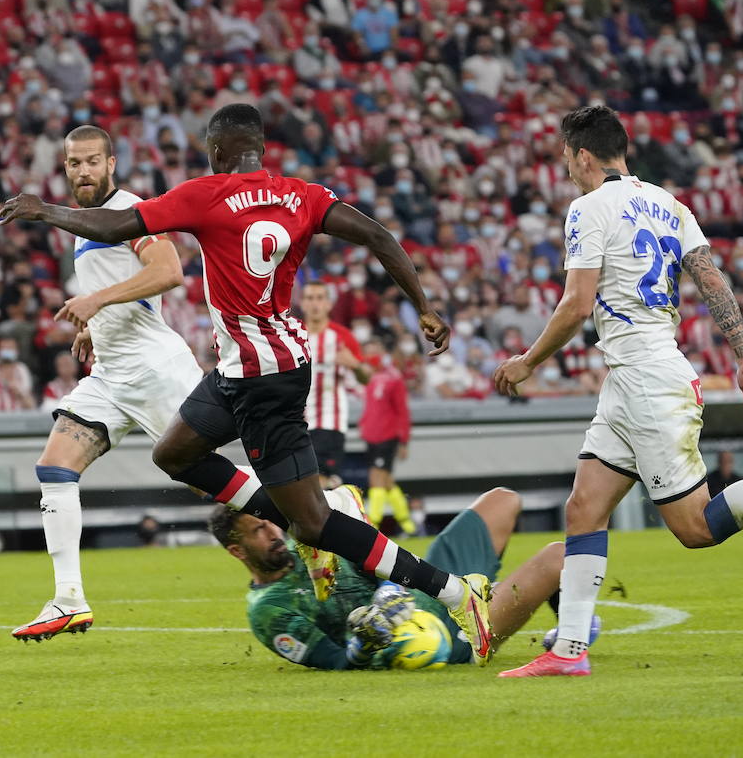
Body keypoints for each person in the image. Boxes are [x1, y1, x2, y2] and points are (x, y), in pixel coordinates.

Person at [0, 103, 494, 662]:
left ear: (215, 152)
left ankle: (453, 590)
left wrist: (45, 212)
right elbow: (379, 237)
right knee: (175, 454)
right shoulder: (302, 195)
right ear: (261, 148)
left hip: (266, 380)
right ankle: (325, 515)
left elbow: (118, 225)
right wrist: (423, 306)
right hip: (245, 369)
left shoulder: (205, 194)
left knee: (313, 526)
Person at [492, 106, 743, 678]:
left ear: (583, 155)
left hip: (648, 380)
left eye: (566, 160)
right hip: (632, 379)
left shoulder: (587, 208)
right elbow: (709, 276)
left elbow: (578, 304)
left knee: (695, 528)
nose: (567, 173)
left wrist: (528, 361)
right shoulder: (669, 204)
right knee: (583, 509)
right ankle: (569, 653)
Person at [10, 126, 202, 642]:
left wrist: (97, 304)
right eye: (74, 163)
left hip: (156, 371)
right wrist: (98, 327)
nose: (84, 171)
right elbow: (129, 294)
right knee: (54, 466)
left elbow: (168, 271)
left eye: (93, 161)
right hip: (112, 375)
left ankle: (329, 522)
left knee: (226, 483)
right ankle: (68, 598)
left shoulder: (129, 211)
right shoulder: (83, 225)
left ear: (112, 163)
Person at [215, 486, 569, 669]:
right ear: (237, 551)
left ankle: (564, 626)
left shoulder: (305, 543)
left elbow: (375, 556)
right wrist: (364, 645)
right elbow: (335, 662)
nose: (273, 532)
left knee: (503, 500)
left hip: (431, 583)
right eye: (258, 530)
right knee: (558, 557)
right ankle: (571, 641)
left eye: (269, 521)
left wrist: (388, 586)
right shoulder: (268, 611)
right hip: (441, 633)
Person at [298, 280, 370, 487]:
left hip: (329, 421)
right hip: (295, 422)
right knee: (300, 484)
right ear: (302, 303)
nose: (315, 304)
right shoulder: (293, 335)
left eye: (320, 298)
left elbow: (366, 379)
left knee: (322, 484)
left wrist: (354, 365)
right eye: (310, 298)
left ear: (329, 304)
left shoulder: (342, 336)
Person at [359, 337, 414, 535]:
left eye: (375, 351)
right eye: (368, 352)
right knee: (388, 481)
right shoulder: (368, 377)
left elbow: (403, 412)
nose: (371, 356)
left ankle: (372, 524)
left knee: (376, 479)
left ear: (382, 353)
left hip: (387, 436)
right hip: (372, 436)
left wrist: (404, 440)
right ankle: (408, 524)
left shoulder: (393, 378)